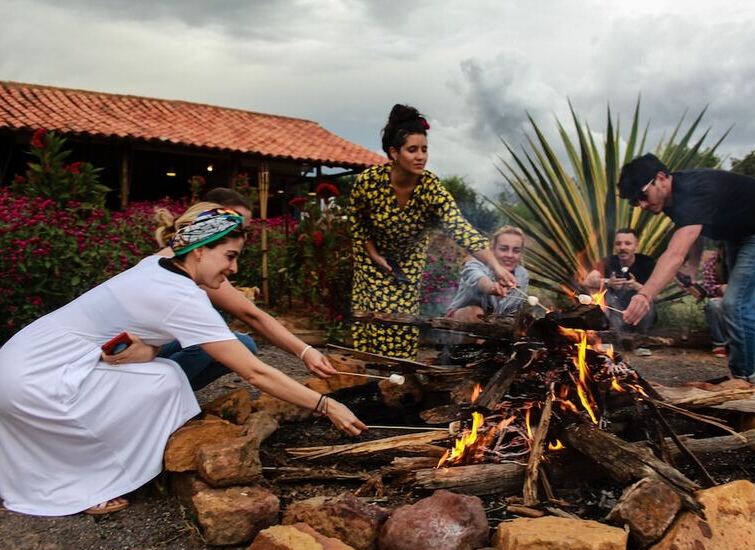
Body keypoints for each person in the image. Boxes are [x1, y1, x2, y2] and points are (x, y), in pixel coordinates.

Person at [0, 203, 365, 517]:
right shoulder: (180, 295)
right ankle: (85, 485)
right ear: (201, 250)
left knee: (165, 366)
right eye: (231, 257)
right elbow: (253, 371)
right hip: (38, 381)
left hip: (19, 361)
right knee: (167, 379)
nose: (234, 270)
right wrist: (325, 404)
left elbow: (240, 324)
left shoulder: (159, 265)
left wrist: (303, 352)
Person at [349, 104, 516, 359]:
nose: (421, 157)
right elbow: (357, 223)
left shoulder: (431, 188)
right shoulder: (368, 182)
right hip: (371, 259)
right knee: (373, 317)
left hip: (408, 262)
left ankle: (398, 376)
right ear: (394, 153)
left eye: (424, 149)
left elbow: (461, 229)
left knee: (401, 322)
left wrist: (497, 267)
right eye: (412, 150)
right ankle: (367, 375)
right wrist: (373, 254)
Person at [617, 153, 755, 383]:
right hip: (737, 234)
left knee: (735, 302)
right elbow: (694, 232)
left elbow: (675, 253)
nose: (643, 205)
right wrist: (692, 267)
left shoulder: (694, 190)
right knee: (744, 301)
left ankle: (744, 377)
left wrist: (645, 295)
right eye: (636, 202)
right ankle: (752, 362)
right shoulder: (670, 200)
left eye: (643, 195)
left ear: (660, 178)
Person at [154, 188, 339, 390]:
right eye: (233, 221)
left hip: (147, 347)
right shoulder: (186, 263)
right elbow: (251, 316)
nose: (240, 232)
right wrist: (305, 352)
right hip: (130, 355)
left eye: (244, 227)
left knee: (239, 341)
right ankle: (159, 394)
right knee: (224, 341)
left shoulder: (178, 256)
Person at [584, 228, 657, 350]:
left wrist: (636, 287)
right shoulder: (609, 261)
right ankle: (608, 339)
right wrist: (608, 282)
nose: (622, 247)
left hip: (639, 316)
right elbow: (587, 281)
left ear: (636, 246)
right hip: (616, 315)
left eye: (628, 243)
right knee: (602, 296)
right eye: (619, 244)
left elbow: (657, 294)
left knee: (646, 298)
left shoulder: (647, 263)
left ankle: (642, 340)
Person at [447, 226, 530, 322]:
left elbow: (514, 312)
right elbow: (477, 278)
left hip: (496, 327)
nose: (510, 255)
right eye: (503, 249)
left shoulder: (522, 275)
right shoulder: (476, 263)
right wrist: (491, 287)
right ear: (492, 249)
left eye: (516, 251)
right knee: (475, 313)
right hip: (461, 321)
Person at [702, 249, 755, 360]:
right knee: (713, 305)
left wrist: (754, 294)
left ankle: (753, 347)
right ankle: (720, 344)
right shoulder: (714, 261)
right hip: (723, 298)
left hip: (749, 297)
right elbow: (708, 286)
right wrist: (720, 289)